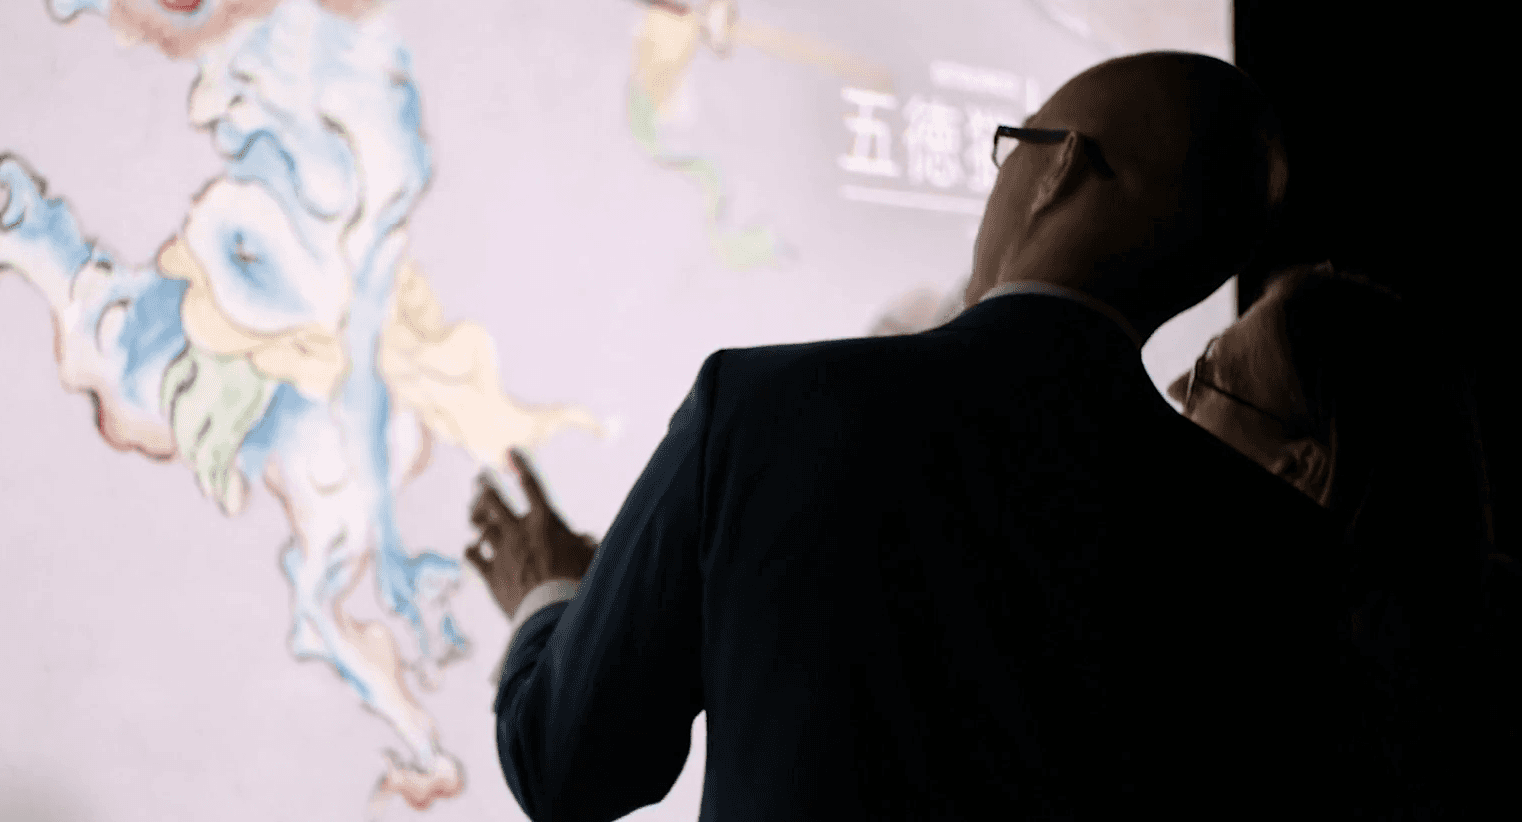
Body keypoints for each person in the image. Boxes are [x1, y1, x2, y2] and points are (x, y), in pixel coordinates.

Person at [463, 50, 1361, 819]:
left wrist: (549, 593)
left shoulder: (759, 408)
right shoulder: (1288, 551)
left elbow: (566, 764)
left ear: (1059, 170)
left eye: (1010, 147)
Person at [1171, 261, 1517, 816]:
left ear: (1298, 468)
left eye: (1209, 375)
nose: (1174, 389)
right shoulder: (1475, 651)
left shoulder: (1256, 703)